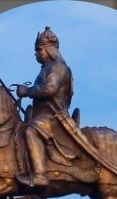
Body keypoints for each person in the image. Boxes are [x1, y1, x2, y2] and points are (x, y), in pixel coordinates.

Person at [16, 26, 74, 188]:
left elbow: (49, 89)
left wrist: (27, 91)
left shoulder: (58, 67)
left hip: (53, 116)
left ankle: (40, 176)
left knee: (31, 131)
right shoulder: (46, 69)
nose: (36, 54)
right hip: (41, 115)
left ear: (49, 49)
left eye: (39, 50)